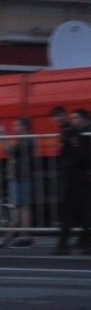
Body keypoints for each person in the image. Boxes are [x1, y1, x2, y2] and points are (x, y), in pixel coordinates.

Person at [57, 108, 91, 256]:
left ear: (83, 118)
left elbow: (79, 155)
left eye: (76, 117)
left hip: (78, 176)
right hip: (78, 176)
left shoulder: (78, 133)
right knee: (81, 211)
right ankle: (78, 242)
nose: (74, 120)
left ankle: (68, 244)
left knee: (77, 210)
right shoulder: (74, 132)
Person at [7, 117, 37, 248]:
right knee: (21, 207)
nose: (14, 129)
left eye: (16, 126)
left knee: (22, 208)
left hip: (22, 177)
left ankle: (25, 237)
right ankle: (23, 235)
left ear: (24, 126)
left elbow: (10, 151)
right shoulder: (26, 139)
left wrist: (1, 137)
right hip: (20, 176)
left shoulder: (26, 139)